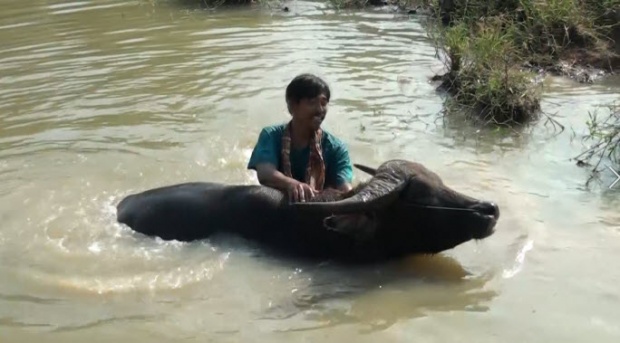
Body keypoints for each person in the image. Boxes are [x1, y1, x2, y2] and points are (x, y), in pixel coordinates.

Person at [247, 73, 354, 202]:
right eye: (312, 102)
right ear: (292, 106)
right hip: (277, 205)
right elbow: (265, 173)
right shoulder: (271, 135)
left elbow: (345, 189)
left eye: (324, 103)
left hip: (320, 209)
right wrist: (293, 185)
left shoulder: (336, 148)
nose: (320, 109)